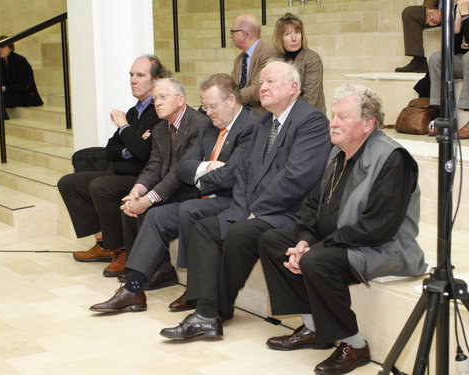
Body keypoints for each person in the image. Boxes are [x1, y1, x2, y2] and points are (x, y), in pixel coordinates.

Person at [258, 84, 426, 375]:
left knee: (316, 260)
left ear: (368, 123)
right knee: (272, 240)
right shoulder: (338, 153)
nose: (332, 123)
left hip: (383, 248)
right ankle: (313, 328)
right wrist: (304, 240)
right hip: (341, 239)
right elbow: (312, 205)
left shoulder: (393, 158)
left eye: (342, 117)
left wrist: (317, 247)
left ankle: (355, 345)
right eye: (332, 115)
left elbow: (378, 227)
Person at [159, 60, 331, 340]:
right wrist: (241, 210)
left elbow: (297, 179)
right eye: (261, 82)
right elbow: (244, 173)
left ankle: (211, 311)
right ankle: (208, 312)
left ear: (293, 87)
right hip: (256, 210)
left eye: (270, 82)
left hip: (290, 213)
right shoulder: (265, 122)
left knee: (241, 231)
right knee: (205, 227)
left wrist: (256, 211)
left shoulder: (311, 121)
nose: (262, 87)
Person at [89, 73, 257, 313]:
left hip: (233, 201)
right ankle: (133, 289)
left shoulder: (250, 126)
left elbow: (230, 175)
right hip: (204, 197)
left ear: (231, 100)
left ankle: (195, 288)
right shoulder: (209, 125)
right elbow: (183, 167)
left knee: (186, 209)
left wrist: (196, 177)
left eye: (212, 106)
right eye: (205, 106)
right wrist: (206, 167)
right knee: (156, 216)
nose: (207, 112)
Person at [58, 55, 172, 284]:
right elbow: (111, 149)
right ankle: (104, 245)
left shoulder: (158, 109)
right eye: (131, 75)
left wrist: (124, 128)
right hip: (123, 171)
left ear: (156, 79)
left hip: (144, 179)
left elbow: (144, 155)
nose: (133, 80)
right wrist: (129, 143)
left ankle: (122, 249)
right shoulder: (133, 111)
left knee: (101, 186)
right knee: (68, 183)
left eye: (140, 75)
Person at [98, 77, 211, 280]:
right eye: (155, 99)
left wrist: (149, 199)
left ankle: (159, 271)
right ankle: (139, 268)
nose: (157, 103)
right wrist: (136, 192)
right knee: (129, 206)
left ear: (180, 99)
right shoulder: (160, 128)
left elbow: (180, 172)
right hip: (170, 187)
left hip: (192, 190)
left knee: (147, 210)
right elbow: (154, 166)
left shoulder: (198, 125)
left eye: (163, 97)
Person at [429, 2, 469, 138]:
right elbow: (453, 50)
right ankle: (444, 114)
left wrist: (465, 16)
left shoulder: (465, 10)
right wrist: (457, 25)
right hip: (465, 62)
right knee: (437, 58)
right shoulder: (459, 10)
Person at [273, 12, 326, 114]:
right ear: (280, 38)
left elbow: (311, 99)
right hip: (281, 115)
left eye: (297, 32)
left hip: (309, 117)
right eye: (287, 34)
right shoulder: (275, 60)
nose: (294, 38)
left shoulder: (312, 59)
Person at [0, 35, 43, 132]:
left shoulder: (20, 61)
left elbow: (25, 86)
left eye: (2, 47)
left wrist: (5, 88)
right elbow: (1, 82)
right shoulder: (0, 62)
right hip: (12, 94)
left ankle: (5, 125)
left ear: (10, 48)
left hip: (27, 96)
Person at [230, 14, 275, 114]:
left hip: (261, 114)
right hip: (241, 112)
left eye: (232, 32)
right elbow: (231, 86)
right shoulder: (239, 59)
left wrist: (229, 99)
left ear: (243, 34)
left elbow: (258, 90)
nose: (230, 36)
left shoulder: (269, 53)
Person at [395, 0, 441, 73]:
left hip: (456, 11)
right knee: (410, 13)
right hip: (436, 9)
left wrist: (442, 13)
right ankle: (419, 61)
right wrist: (429, 11)